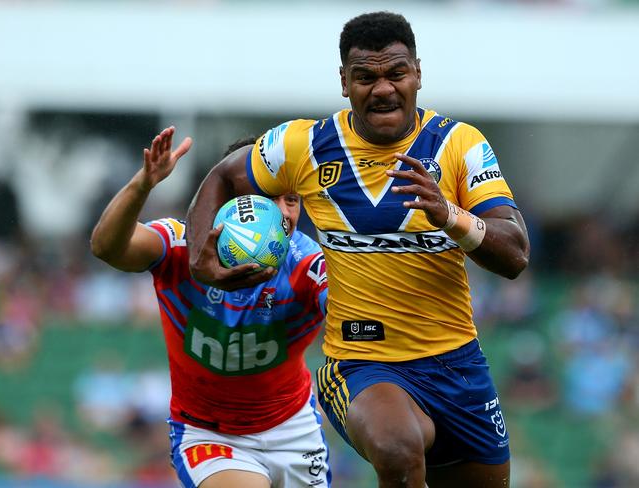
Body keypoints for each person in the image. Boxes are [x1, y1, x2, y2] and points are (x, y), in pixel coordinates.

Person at [186, 11, 530, 488]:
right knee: (396, 449)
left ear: (418, 75)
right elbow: (226, 173)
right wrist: (196, 258)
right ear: (344, 83)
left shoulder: (458, 144)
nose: (383, 88)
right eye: (365, 76)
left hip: (459, 366)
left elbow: (514, 255)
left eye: (396, 73)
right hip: (361, 363)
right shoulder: (303, 145)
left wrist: (448, 215)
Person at [90, 127, 331, 488]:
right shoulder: (178, 247)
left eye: (292, 200)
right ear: (231, 197)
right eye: (269, 197)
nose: (284, 214)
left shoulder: (306, 263)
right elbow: (106, 247)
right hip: (210, 435)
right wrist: (144, 184)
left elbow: (350, 309)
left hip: (293, 428)